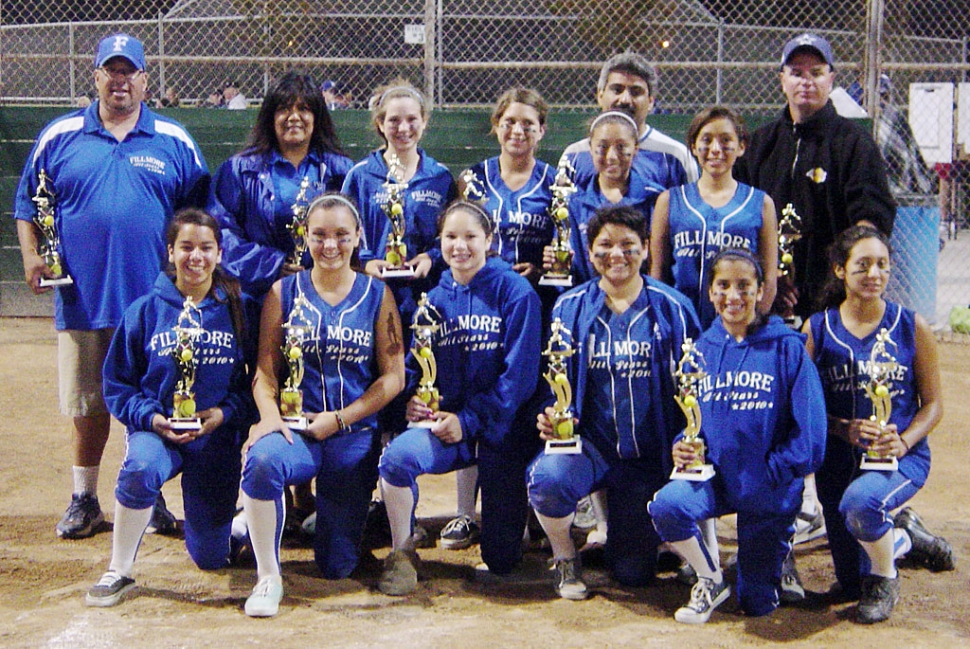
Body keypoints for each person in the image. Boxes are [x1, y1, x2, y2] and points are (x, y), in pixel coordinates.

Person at [13, 33, 210, 540]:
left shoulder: (174, 139)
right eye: (111, 71)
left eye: (129, 72)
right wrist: (35, 255)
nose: (119, 81)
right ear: (96, 76)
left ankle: (152, 495)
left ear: (145, 80)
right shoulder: (60, 134)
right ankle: (83, 498)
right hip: (83, 296)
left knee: (157, 399)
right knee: (88, 404)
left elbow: (199, 215)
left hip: (157, 304)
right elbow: (27, 206)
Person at [239, 193, 405, 617]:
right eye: (319, 235)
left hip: (352, 434)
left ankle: (335, 516)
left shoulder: (378, 294)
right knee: (262, 461)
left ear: (358, 237)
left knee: (336, 566)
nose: (330, 245)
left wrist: (342, 418)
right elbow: (265, 372)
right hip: (295, 431)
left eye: (341, 235)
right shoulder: (283, 291)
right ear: (305, 237)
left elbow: (394, 377)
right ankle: (267, 575)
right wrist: (271, 419)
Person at [527, 205, 700, 600]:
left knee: (633, 573)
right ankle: (565, 557)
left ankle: (655, 536)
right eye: (605, 245)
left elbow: (696, 392)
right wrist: (552, 415)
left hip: (648, 454)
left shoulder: (674, 309)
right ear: (589, 252)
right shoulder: (569, 307)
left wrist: (688, 440)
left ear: (645, 250)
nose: (616, 255)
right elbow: (555, 383)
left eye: (628, 245)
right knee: (548, 479)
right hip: (592, 447)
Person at [85, 208, 254, 607]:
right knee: (140, 468)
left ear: (219, 252)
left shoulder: (239, 308)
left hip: (214, 439)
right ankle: (120, 569)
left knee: (211, 559)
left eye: (206, 248)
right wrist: (153, 418)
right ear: (170, 251)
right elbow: (118, 384)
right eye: (186, 247)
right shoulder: (144, 310)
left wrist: (224, 414)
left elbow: (257, 384)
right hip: (157, 431)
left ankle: (239, 526)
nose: (196, 257)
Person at [649, 248, 827, 624]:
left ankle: (779, 552)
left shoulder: (787, 347)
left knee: (757, 602)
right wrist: (684, 444)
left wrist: (773, 471)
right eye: (723, 286)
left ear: (762, 290)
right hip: (717, 480)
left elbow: (811, 437)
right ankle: (710, 577)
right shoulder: (699, 350)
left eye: (744, 286)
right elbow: (691, 417)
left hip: (768, 487)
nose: (734, 296)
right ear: (711, 292)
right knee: (667, 506)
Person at [376, 200, 541, 596]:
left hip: (501, 431)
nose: (460, 246)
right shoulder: (433, 298)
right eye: (451, 237)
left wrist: (467, 420)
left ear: (489, 239)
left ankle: (521, 522)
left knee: (501, 560)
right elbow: (418, 366)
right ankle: (402, 551)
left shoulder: (516, 293)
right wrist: (412, 400)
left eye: (470, 237)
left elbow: (518, 381)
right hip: (447, 428)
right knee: (396, 459)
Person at [804, 225, 954, 624]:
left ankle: (886, 577)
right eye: (863, 265)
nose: (874, 274)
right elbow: (807, 406)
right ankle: (905, 534)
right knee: (850, 579)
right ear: (840, 270)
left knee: (861, 505)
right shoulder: (818, 329)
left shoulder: (911, 325)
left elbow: (934, 405)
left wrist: (903, 443)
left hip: (899, 460)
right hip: (838, 461)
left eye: (882, 265)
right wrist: (842, 428)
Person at [442, 87, 556, 551]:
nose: (518, 131)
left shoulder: (554, 183)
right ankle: (465, 514)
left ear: (542, 131)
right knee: (471, 392)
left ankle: (526, 508)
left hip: (533, 304)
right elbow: (456, 235)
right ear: (496, 125)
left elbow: (563, 244)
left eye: (529, 124)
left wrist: (545, 265)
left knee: (524, 404)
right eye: (510, 121)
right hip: (477, 300)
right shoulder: (474, 180)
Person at [734, 32, 896, 323]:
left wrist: (841, 280)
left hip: (832, 300)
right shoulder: (760, 145)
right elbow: (737, 217)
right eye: (796, 73)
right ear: (782, 79)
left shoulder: (854, 144)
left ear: (831, 80)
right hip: (765, 293)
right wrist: (766, 275)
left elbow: (871, 219)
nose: (806, 81)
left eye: (816, 73)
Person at [209, 71, 354, 298]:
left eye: (303, 109)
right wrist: (272, 266)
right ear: (270, 117)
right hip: (260, 297)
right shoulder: (240, 171)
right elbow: (221, 234)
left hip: (328, 295)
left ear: (316, 117)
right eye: (284, 109)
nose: (293, 117)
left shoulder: (342, 172)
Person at [651, 105, 778, 328]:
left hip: (738, 329)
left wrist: (749, 328)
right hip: (681, 327)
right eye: (707, 140)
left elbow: (768, 281)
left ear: (741, 147)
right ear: (693, 146)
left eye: (726, 140)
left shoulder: (760, 203)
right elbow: (658, 275)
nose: (716, 149)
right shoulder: (670, 201)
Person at [546, 109, 662, 286]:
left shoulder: (656, 199)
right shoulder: (572, 203)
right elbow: (568, 269)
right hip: (589, 300)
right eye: (602, 147)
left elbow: (660, 264)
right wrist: (559, 264)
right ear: (590, 149)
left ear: (636, 149)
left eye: (621, 147)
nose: (612, 157)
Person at [559, 52, 699, 191]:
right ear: (600, 95)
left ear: (651, 101)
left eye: (636, 92)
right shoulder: (574, 156)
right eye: (617, 90)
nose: (625, 99)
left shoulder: (675, 156)